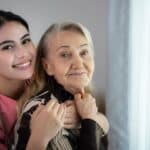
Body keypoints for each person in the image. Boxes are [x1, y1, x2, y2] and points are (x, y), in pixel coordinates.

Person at [15, 22, 109, 150]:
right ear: (47, 66)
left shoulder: (82, 101)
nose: (79, 63)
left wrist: (92, 118)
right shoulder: (45, 111)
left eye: (83, 52)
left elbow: (104, 124)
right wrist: (88, 120)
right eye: (65, 54)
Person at [0, 10, 80, 150]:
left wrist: (81, 117)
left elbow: (99, 118)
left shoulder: (46, 75)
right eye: (8, 47)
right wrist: (40, 137)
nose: (24, 54)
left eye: (25, 41)